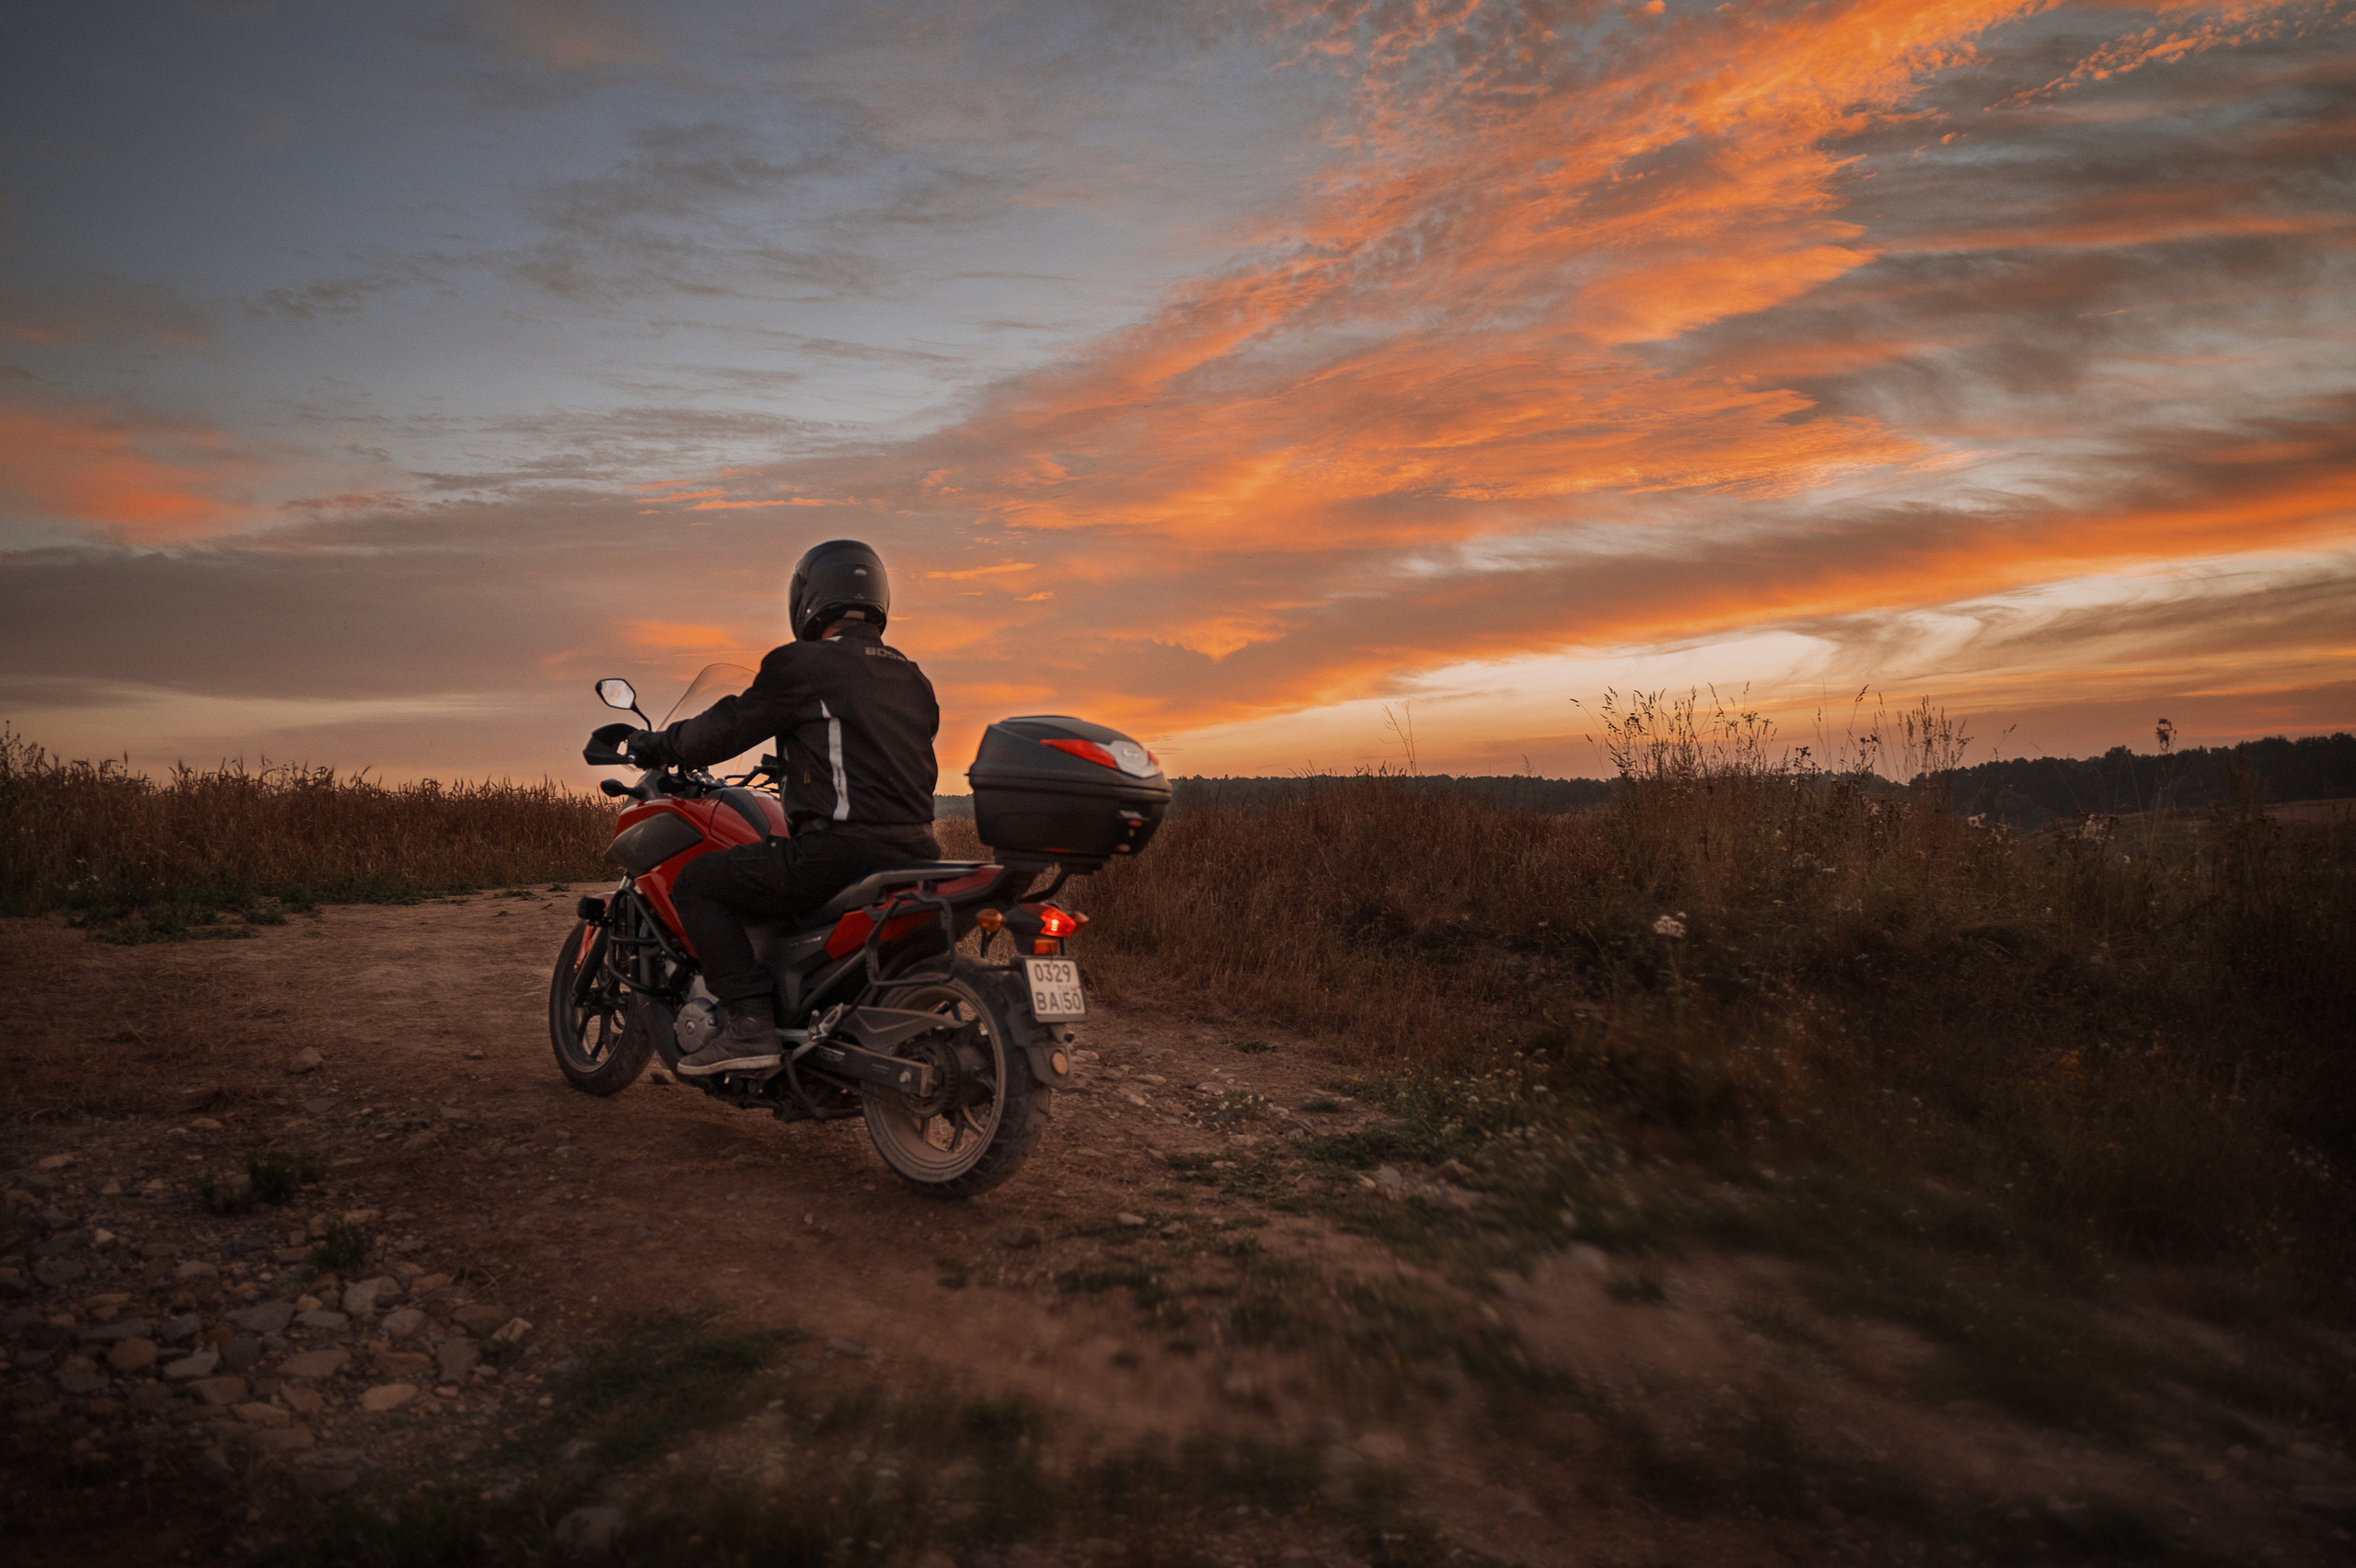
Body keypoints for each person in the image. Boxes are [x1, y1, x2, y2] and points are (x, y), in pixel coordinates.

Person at [620, 539, 942, 1076]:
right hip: (918, 852)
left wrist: (661, 745)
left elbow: (727, 726)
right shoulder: (914, 679)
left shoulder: (806, 663)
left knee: (698, 883)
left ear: (808, 596)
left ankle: (749, 1025)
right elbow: (870, 749)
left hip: (839, 852)